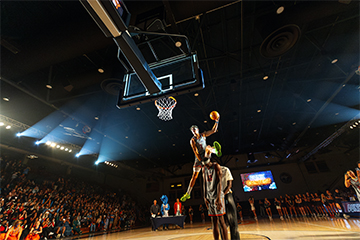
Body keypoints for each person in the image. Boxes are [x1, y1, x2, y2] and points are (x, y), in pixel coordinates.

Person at [181, 118, 221, 202]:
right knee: (194, 177)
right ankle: (188, 193)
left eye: (195, 130)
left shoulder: (203, 135)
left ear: (198, 130)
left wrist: (217, 121)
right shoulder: (192, 140)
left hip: (206, 154)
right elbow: (195, 151)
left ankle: (216, 151)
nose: (194, 132)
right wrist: (201, 161)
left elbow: (213, 130)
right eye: (192, 131)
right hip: (198, 158)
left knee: (208, 147)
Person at [202, 159, 228, 240]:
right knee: (214, 222)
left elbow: (219, 182)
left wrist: (218, 198)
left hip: (218, 196)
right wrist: (205, 197)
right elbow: (204, 183)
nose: (205, 166)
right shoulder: (204, 169)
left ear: (209, 161)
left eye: (206, 164)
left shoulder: (216, 166)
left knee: (221, 220)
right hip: (209, 197)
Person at [220, 166, 240, 240]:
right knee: (220, 221)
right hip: (217, 196)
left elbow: (229, 185)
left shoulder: (225, 169)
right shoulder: (210, 172)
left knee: (232, 220)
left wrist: (222, 195)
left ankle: (235, 238)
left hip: (227, 193)